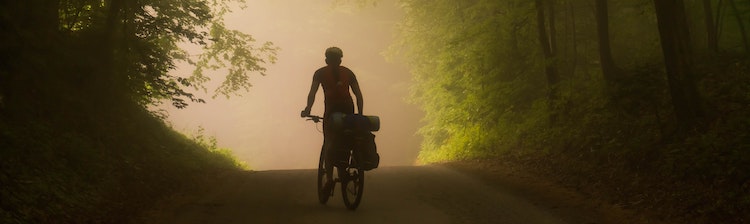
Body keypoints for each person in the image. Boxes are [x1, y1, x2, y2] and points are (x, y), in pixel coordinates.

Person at [301, 47, 364, 194]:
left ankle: (329, 179)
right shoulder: (349, 73)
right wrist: (360, 114)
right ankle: (346, 168)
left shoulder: (320, 73)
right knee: (348, 139)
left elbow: (312, 94)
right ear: (341, 59)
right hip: (349, 109)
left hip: (331, 111)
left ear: (326, 59)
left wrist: (307, 110)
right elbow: (358, 96)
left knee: (329, 142)